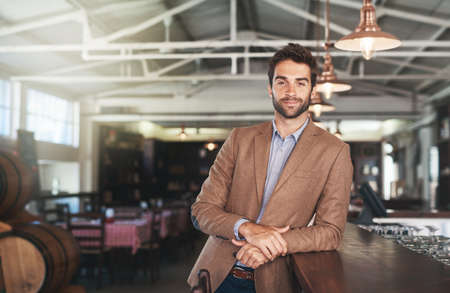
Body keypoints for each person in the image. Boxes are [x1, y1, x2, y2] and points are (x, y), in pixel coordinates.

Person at [187, 43, 353, 293]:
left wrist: (272, 243)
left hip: (275, 280)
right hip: (218, 275)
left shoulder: (335, 151)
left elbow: (330, 232)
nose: (291, 91)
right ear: (270, 88)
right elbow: (201, 211)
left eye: (300, 82)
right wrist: (247, 228)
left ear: (312, 89)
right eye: (282, 82)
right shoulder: (239, 139)